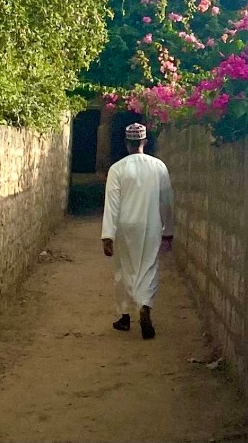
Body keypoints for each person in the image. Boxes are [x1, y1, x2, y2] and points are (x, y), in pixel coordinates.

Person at [100, 122, 174, 340]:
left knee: (124, 269)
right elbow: (167, 201)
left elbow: (111, 204)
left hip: (125, 226)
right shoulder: (159, 166)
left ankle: (124, 316)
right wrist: (168, 229)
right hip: (151, 224)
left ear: (126, 143)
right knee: (148, 267)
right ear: (145, 142)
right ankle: (144, 306)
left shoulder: (117, 169)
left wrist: (108, 235)